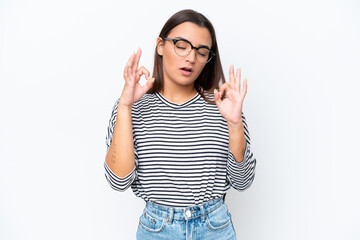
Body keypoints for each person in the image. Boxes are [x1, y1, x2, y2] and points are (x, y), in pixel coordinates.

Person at [104, 9, 256, 240]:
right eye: (182, 45)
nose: (191, 58)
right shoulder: (131, 107)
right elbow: (118, 181)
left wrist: (234, 124)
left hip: (215, 228)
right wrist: (125, 107)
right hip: (157, 230)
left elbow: (243, 182)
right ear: (161, 46)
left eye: (202, 51)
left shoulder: (224, 107)